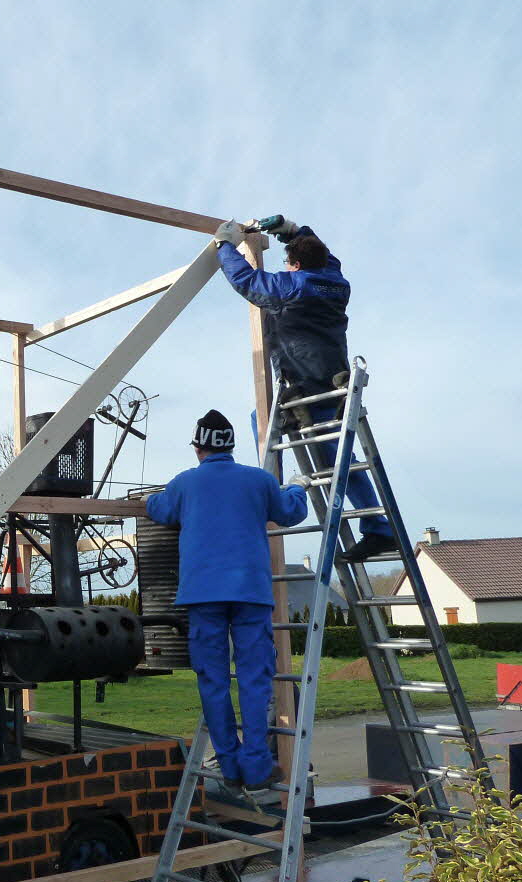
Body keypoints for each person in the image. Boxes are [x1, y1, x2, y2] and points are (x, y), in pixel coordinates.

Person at [146, 410, 308, 796]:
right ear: (231, 446)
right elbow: (291, 512)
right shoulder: (259, 481)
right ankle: (257, 767)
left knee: (213, 679)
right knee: (254, 679)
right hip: (250, 593)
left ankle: (230, 765)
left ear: (198, 447)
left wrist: (153, 497)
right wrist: (297, 487)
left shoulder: (185, 483)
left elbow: (159, 509)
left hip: (202, 595)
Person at [212, 218, 394, 563]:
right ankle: (378, 527)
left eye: (288, 262)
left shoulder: (291, 287)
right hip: (332, 380)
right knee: (336, 458)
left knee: (263, 420)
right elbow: (324, 256)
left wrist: (225, 246)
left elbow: (246, 280)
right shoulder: (336, 281)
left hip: (303, 383)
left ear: (294, 266)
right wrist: (294, 231)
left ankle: (274, 494)